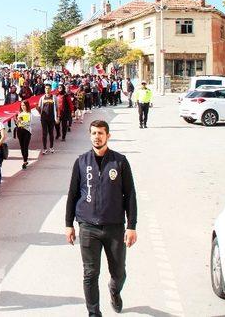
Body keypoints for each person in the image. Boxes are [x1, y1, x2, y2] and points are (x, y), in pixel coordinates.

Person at [65, 120, 138, 316]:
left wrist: (131, 226)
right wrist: (68, 224)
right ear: (90, 136)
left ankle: (114, 290)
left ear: (108, 136)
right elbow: (72, 194)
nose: (97, 136)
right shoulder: (81, 162)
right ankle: (94, 313)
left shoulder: (120, 162)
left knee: (119, 273)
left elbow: (130, 194)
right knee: (90, 274)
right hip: (88, 227)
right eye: (94, 133)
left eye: (101, 133)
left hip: (114, 227)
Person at [37, 84, 58, 155]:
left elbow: (57, 108)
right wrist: (38, 110)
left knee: (51, 133)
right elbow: (39, 108)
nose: (47, 90)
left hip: (51, 118)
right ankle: (45, 148)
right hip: (44, 118)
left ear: (50, 89)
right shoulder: (42, 98)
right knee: (44, 133)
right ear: (44, 89)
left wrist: (57, 117)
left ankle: (51, 147)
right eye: (46, 88)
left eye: (49, 88)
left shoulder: (54, 97)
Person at [15, 100, 32, 170]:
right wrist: (16, 121)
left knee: (25, 146)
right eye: (21, 105)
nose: (23, 107)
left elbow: (28, 123)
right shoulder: (20, 113)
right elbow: (18, 123)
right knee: (22, 146)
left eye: (24, 105)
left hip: (27, 131)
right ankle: (24, 159)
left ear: (27, 106)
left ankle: (25, 161)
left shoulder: (29, 114)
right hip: (19, 130)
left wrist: (20, 121)